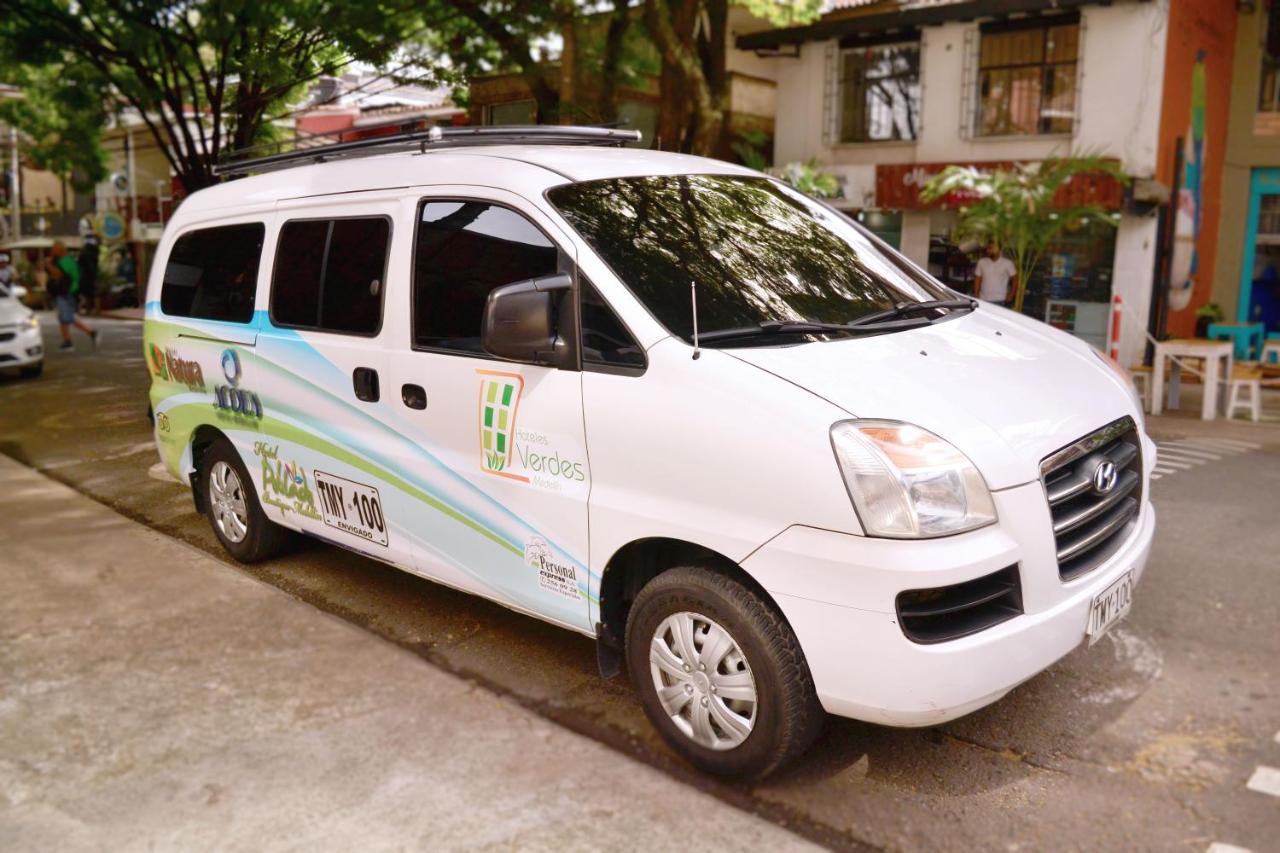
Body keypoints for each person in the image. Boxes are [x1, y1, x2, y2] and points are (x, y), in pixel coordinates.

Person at [45, 241, 98, 351]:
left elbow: (58, 274)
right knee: (64, 318)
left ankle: (87, 334)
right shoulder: (65, 261)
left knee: (66, 317)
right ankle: (68, 341)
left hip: (67, 292)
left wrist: (49, 266)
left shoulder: (66, 261)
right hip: (65, 292)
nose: (52, 251)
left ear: (60, 250)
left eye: (54, 249)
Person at [78, 232, 101, 314]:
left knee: (87, 293)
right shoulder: (95, 251)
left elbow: (80, 262)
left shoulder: (84, 251)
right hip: (92, 273)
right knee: (93, 293)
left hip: (85, 275)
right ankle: (95, 309)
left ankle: (89, 309)